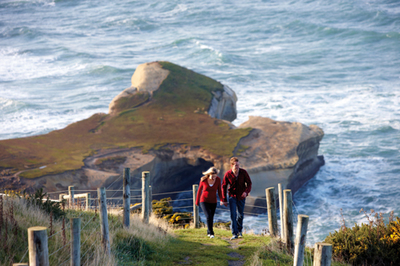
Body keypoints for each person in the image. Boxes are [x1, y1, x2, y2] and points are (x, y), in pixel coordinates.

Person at [222, 157, 252, 240]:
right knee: (233, 215)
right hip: (232, 197)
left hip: (241, 196)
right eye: (236, 165)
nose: (237, 166)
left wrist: (246, 192)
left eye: (238, 165)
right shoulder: (227, 174)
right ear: (231, 165)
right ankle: (234, 233)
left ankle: (240, 231)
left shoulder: (243, 172)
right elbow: (223, 187)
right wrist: (224, 199)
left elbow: (249, 183)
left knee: (240, 215)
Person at [196, 167, 224, 238]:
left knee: (211, 217)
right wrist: (197, 201)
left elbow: (219, 191)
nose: (214, 177)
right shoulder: (203, 180)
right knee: (208, 216)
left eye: (215, 176)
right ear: (209, 174)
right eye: (212, 176)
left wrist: (221, 199)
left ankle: (208, 231)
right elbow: (199, 191)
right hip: (204, 201)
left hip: (213, 201)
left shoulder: (218, 180)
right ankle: (211, 233)